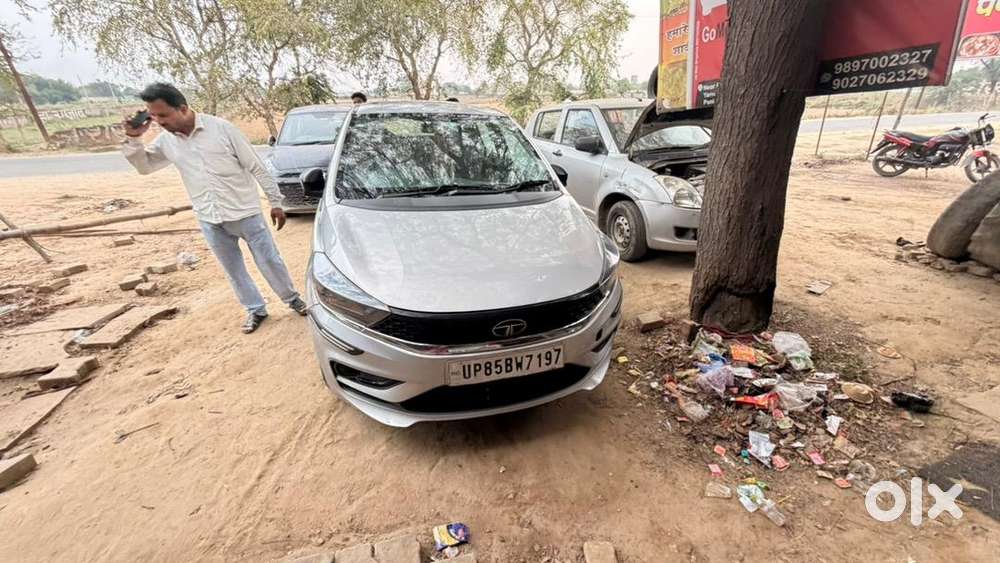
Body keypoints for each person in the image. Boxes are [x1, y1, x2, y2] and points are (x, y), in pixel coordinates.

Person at [121, 82, 307, 334]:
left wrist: (275, 202)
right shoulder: (166, 142)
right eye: (153, 115)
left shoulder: (221, 129)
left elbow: (256, 166)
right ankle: (255, 309)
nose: (158, 121)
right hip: (209, 218)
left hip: (246, 212)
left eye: (163, 114)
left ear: (183, 108)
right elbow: (144, 167)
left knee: (269, 260)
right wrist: (133, 139)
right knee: (233, 269)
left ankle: (292, 299)